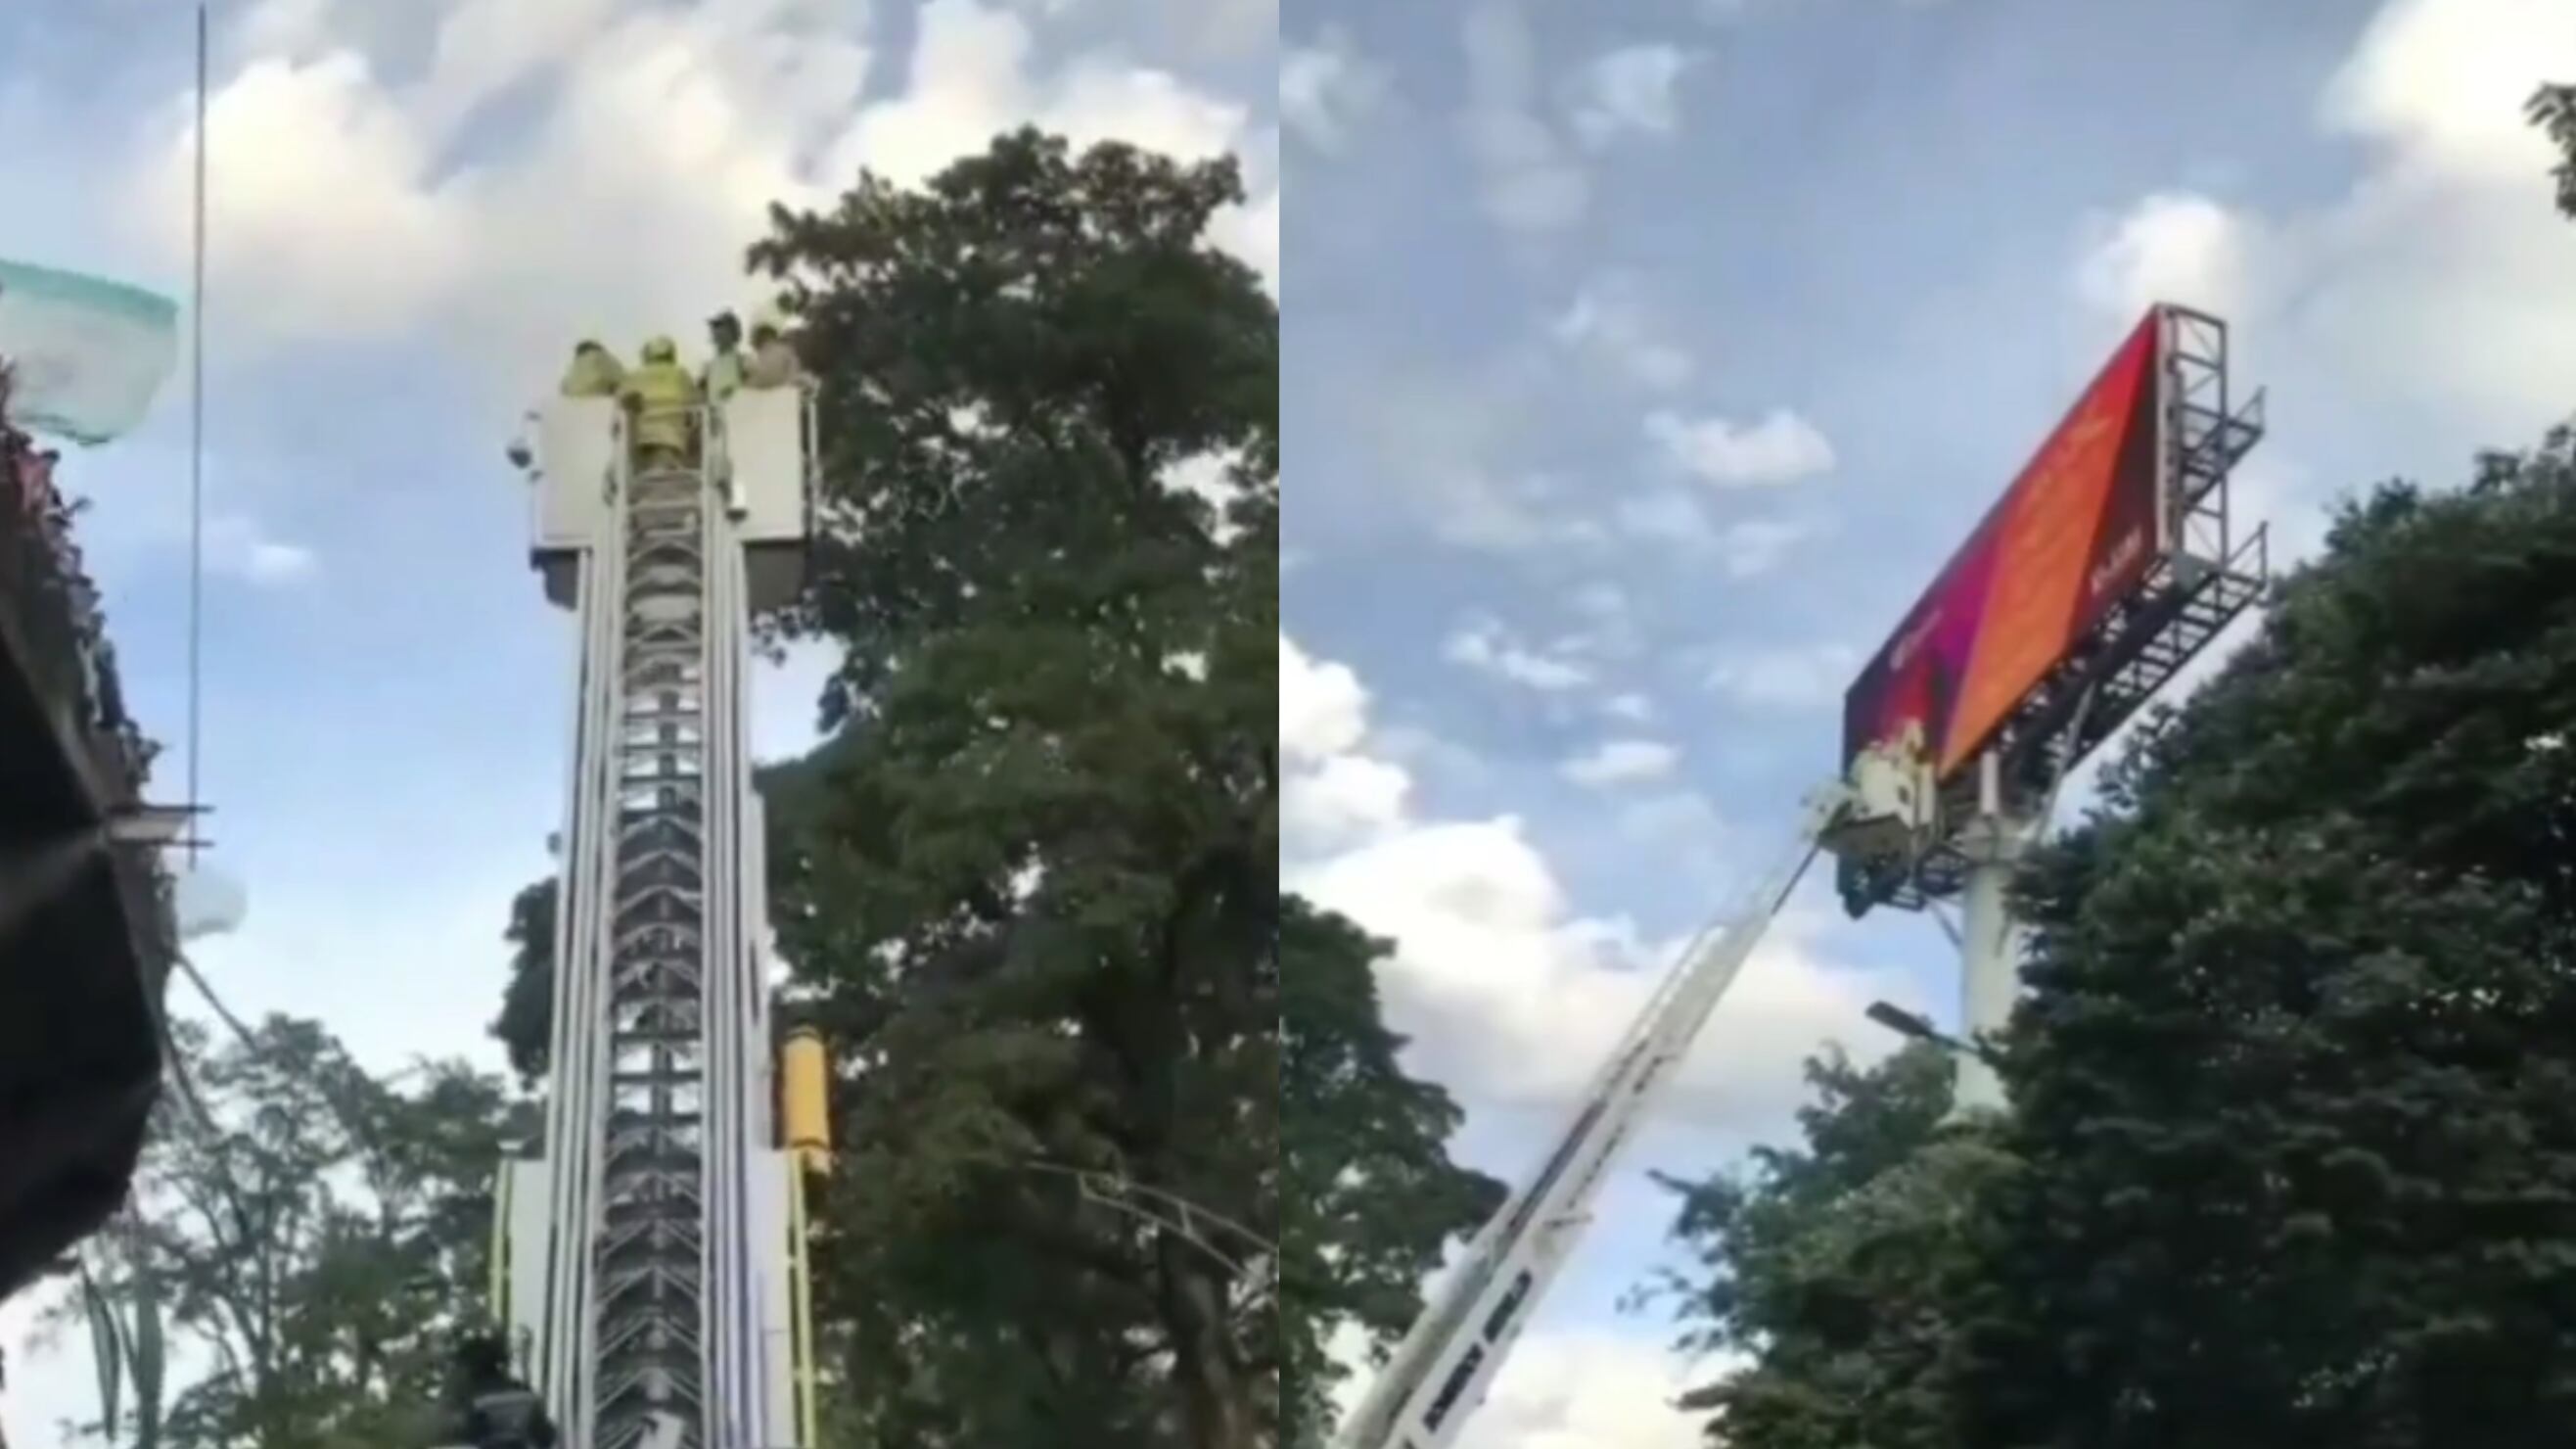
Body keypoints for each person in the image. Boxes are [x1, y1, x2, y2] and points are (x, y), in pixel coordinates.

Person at [445, 1333, 558, 1449]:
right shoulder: (525, 1393)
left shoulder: (474, 1402)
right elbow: (546, 1436)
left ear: (471, 1367)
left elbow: (470, 1439)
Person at [618, 336, 700, 467]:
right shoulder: (680, 374)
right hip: (671, 439)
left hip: (635, 441)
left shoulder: (633, 377)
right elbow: (696, 404)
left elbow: (620, 404)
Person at [702, 311, 748, 402]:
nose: (714, 330)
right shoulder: (707, 367)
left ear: (732, 331)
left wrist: (736, 392)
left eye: (719, 325)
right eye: (714, 326)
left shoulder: (743, 361)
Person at [744, 320, 801, 389]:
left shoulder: (755, 355)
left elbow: (750, 372)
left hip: (758, 390)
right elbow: (793, 373)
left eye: (757, 336)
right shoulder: (786, 350)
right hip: (781, 389)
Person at [557, 340, 623, 397]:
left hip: (575, 398)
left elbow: (564, 387)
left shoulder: (572, 367)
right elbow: (620, 377)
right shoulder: (602, 356)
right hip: (600, 394)